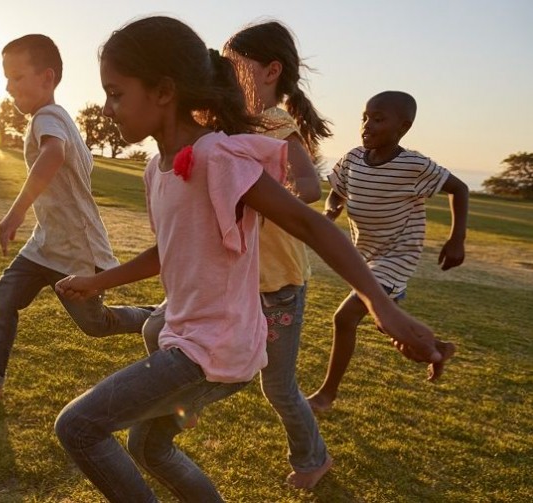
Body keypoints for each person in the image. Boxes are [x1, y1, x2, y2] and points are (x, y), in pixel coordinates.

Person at [53, 17, 444, 502]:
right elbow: (166, 252)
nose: (107, 108)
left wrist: (382, 307)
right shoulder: (157, 170)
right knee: (149, 448)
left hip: (213, 348)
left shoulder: (219, 157)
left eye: (116, 93)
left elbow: (310, 224)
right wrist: (99, 282)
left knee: (78, 426)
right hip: (187, 338)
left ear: (164, 91)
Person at [139, 19, 335, 489]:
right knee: (156, 329)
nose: (224, 73)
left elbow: (309, 187)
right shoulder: (222, 124)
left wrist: (261, 197)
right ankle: (184, 406)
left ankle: (313, 459)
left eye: (234, 65)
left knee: (278, 386)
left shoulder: (276, 124)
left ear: (271, 71)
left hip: (275, 282)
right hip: (228, 279)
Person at [0, 34, 152, 400]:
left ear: (47, 78)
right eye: (6, 78)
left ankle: (157, 318)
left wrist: (16, 212)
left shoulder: (48, 117)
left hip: (76, 251)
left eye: (17, 77)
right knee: (4, 296)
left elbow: (53, 154)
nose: (9, 87)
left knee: (96, 325)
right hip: (45, 245)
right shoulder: (60, 118)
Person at [306, 90, 465, 413]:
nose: (367, 125)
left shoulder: (413, 165)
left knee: (344, 317)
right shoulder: (353, 159)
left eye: (378, 119)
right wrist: (331, 208)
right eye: (364, 118)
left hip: (396, 256)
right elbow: (337, 191)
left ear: (403, 127)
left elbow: (459, 188)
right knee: (385, 322)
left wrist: (456, 239)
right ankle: (437, 349)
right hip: (364, 256)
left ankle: (326, 395)